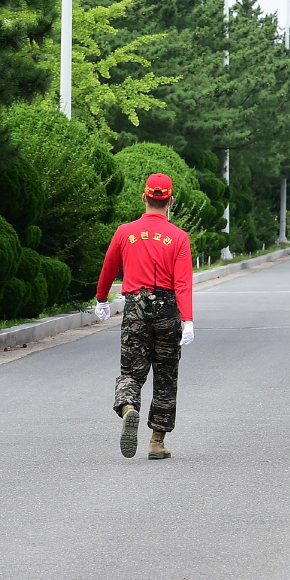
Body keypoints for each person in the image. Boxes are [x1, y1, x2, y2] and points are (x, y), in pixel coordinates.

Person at [95, 173, 194, 460]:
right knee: (165, 376)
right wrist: (187, 319)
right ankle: (156, 442)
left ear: (145, 197)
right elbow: (183, 283)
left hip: (135, 308)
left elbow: (109, 268)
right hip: (167, 310)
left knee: (131, 372)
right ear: (170, 201)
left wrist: (102, 298)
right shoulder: (178, 237)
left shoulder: (124, 232)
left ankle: (128, 407)